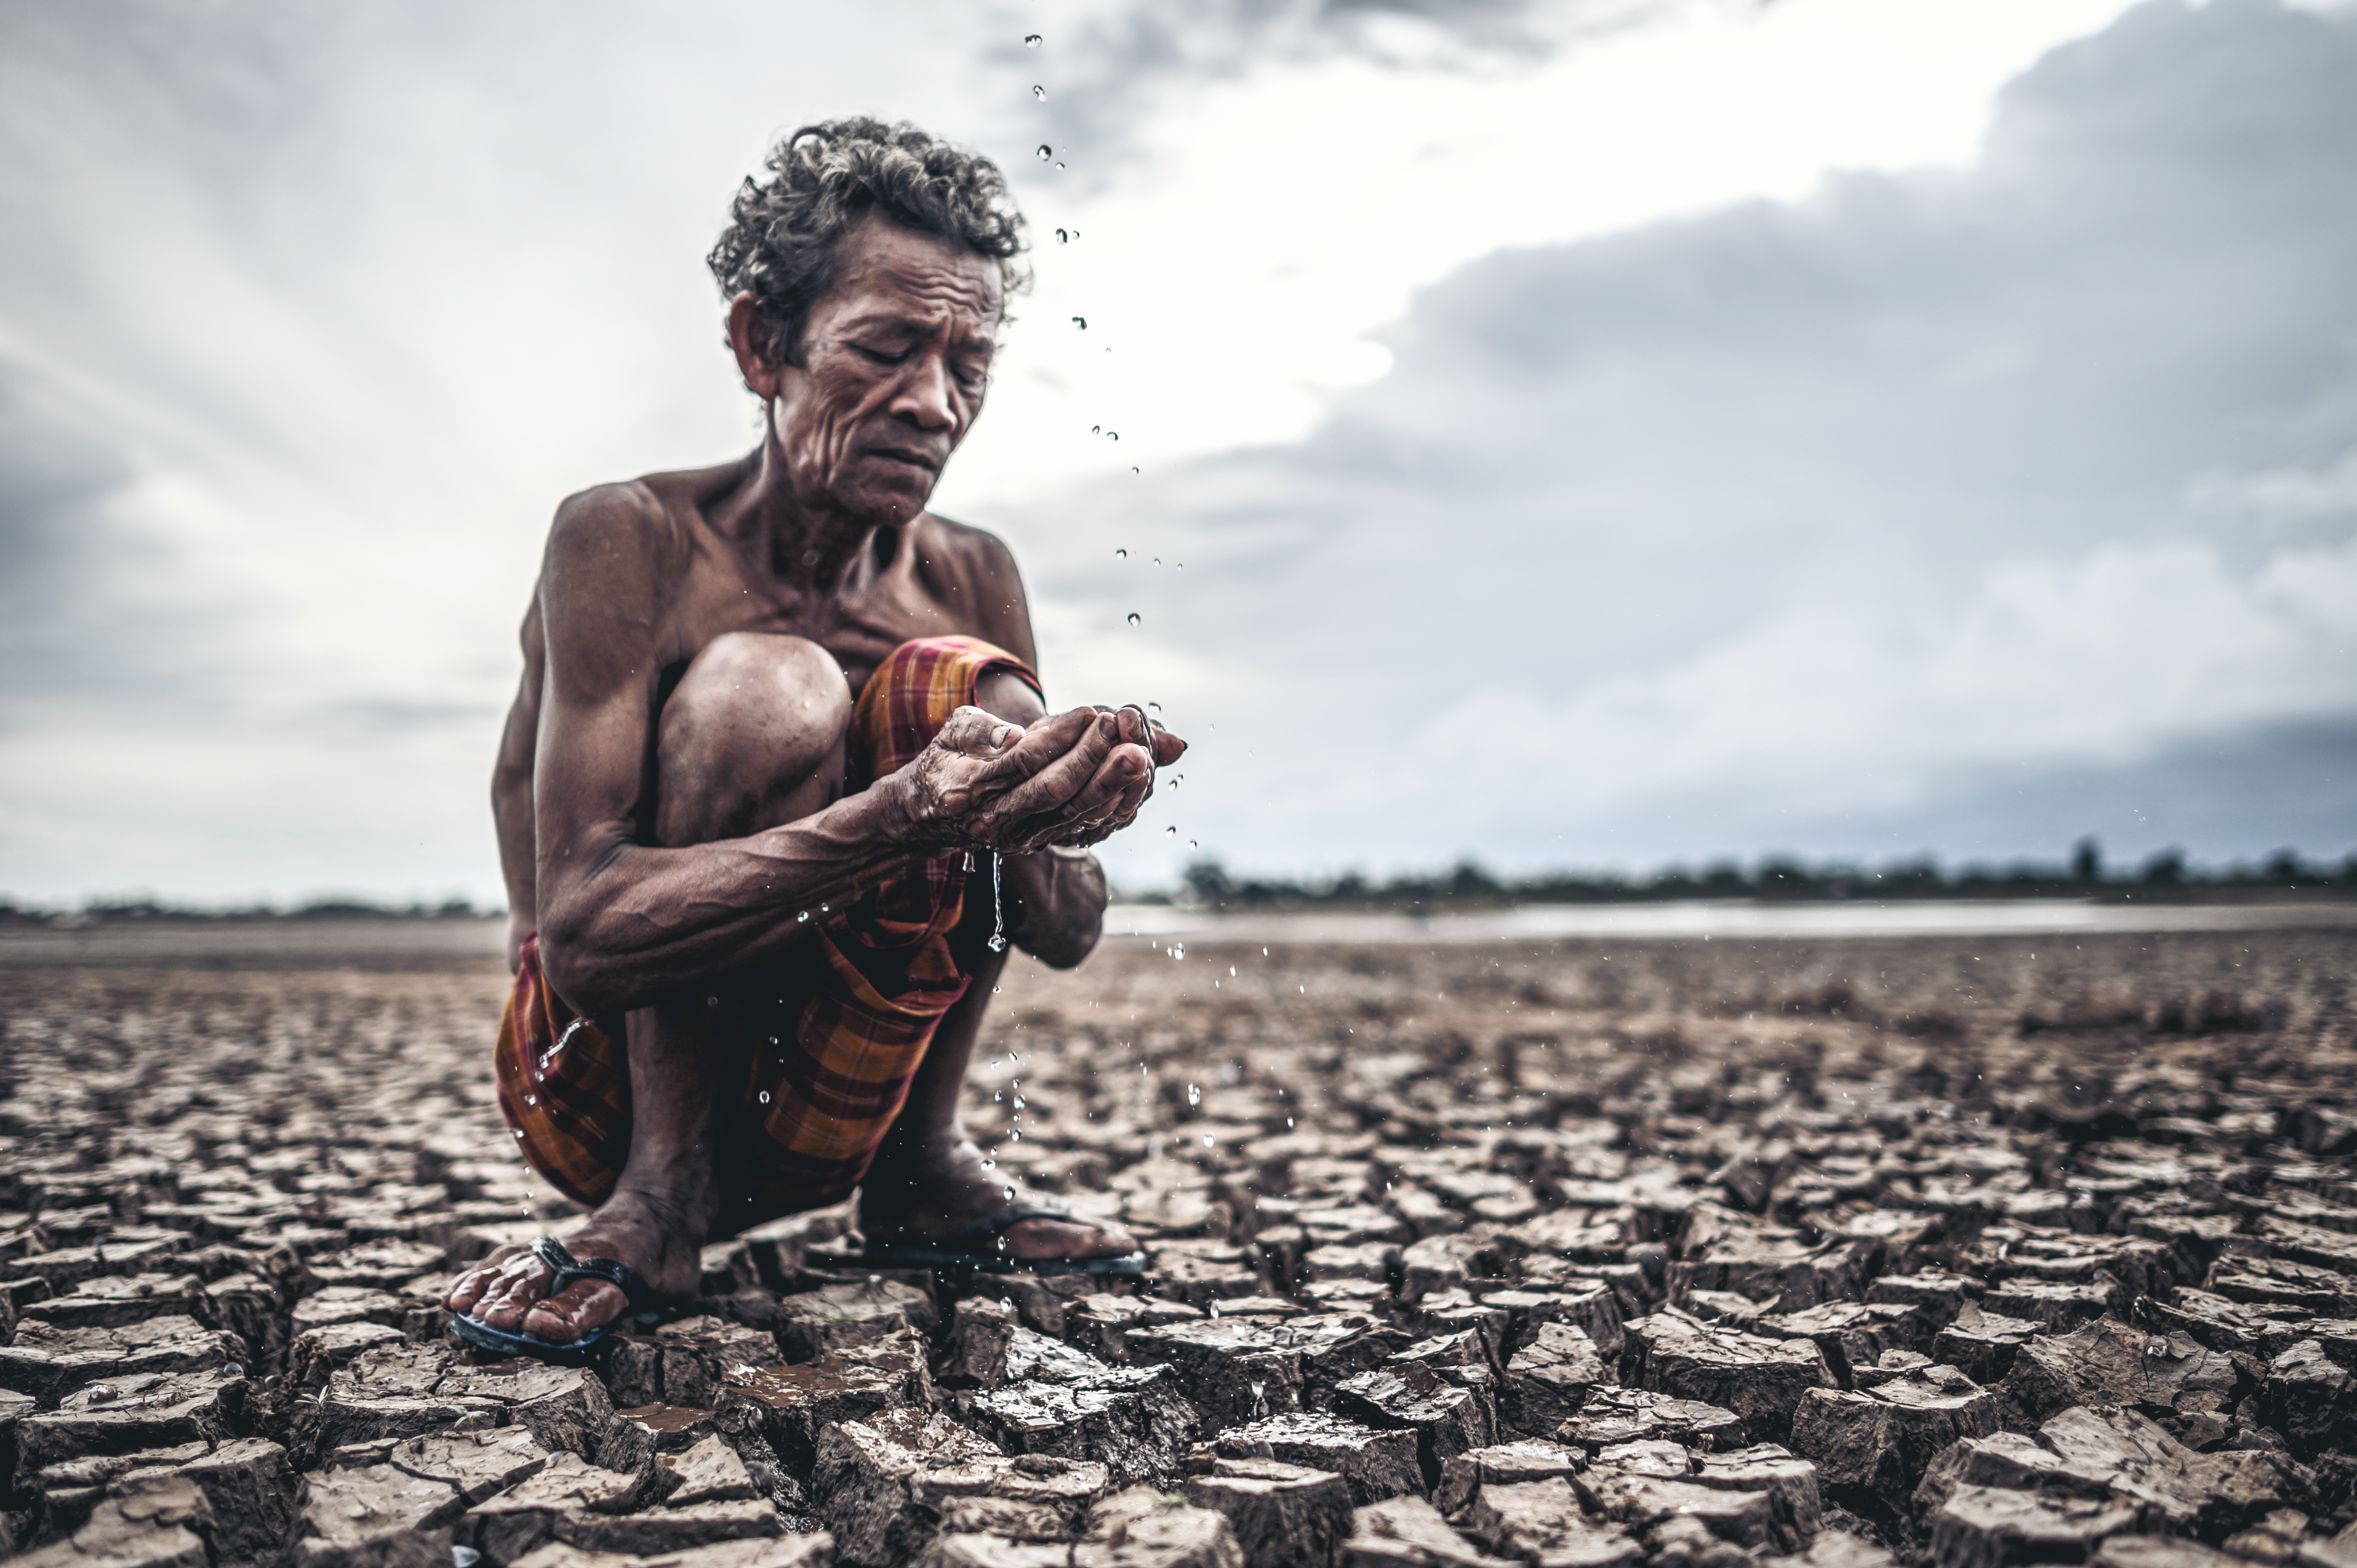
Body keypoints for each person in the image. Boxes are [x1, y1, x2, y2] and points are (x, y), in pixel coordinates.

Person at [442, 117, 1183, 1355]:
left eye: (968, 365)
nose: (934, 404)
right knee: (766, 691)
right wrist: (902, 819)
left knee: (976, 704)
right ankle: (664, 1200)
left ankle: (923, 1172)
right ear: (761, 347)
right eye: (886, 349)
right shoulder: (630, 541)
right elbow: (582, 939)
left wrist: (1054, 811)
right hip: (599, 1091)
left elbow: (1061, 930)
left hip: (841, 1087)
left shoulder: (973, 576)